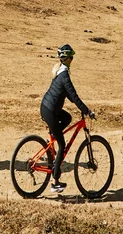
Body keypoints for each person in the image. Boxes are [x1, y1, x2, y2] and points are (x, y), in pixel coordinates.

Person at [40, 43, 94, 193]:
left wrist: (82, 108)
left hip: (47, 108)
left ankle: (53, 134)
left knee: (67, 118)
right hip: (50, 112)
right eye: (71, 57)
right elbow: (74, 97)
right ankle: (55, 182)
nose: (72, 59)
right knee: (62, 146)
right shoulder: (64, 76)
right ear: (67, 58)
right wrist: (87, 111)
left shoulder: (59, 72)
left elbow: (70, 96)